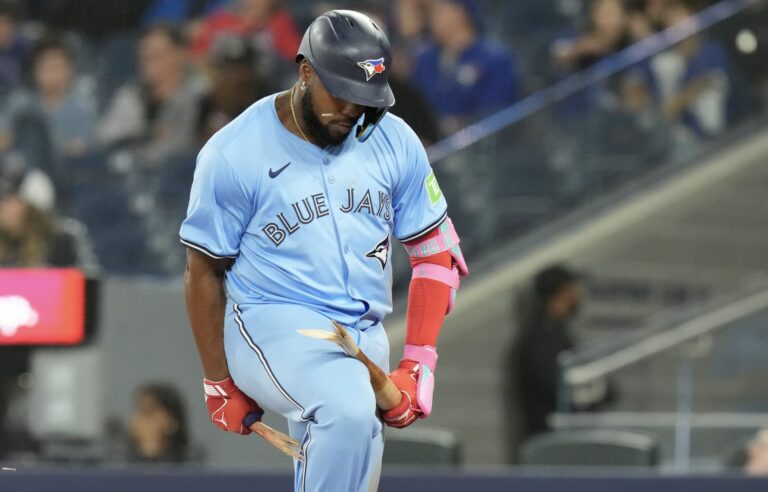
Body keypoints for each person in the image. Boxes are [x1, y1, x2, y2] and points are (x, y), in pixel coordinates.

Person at [180, 10, 468, 491]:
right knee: (346, 409)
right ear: (306, 70)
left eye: (366, 98)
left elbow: (436, 253)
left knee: (353, 465)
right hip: (272, 321)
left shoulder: (394, 139)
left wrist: (419, 359)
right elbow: (202, 271)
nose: (354, 109)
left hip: (363, 334)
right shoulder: (234, 153)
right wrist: (217, 380)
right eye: (343, 93)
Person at [97, 23, 207, 168]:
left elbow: (182, 147)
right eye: (143, 56)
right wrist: (147, 134)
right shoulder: (131, 94)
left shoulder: (199, 95)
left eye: (155, 56)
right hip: (131, 178)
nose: (147, 62)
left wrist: (137, 144)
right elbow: (104, 138)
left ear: (179, 55)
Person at [409, 0, 520, 133]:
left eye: (439, 11)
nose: (432, 18)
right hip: (438, 146)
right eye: (431, 13)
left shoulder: (493, 57)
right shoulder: (426, 61)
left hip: (489, 144)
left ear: (460, 12)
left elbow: (499, 111)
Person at [511, 265, 584, 445]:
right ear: (562, 292)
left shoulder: (559, 332)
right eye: (573, 289)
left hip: (563, 441)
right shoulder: (538, 338)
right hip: (545, 443)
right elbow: (554, 386)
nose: (579, 294)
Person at [128, 383, 192, 463]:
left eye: (148, 399)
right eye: (142, 400)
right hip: (141, 457)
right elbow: (133, 437)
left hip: (164, 457)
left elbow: (172, 430)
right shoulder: (137, 419)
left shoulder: (162, 415)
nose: (145, 403)